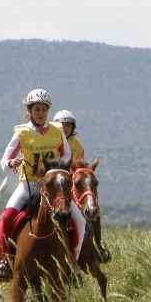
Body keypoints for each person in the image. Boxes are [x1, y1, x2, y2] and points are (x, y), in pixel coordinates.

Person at [0, 89, 87, 283]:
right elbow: (4, 161)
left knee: (79, 220)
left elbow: (67, 155)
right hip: (29, 185)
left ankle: (73, 263)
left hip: (52, 187)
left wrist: (56, 168)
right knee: (7, 217)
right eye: (36, 109)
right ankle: (6, 261)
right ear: (30, 111)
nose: (40, 113)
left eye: (43, 109)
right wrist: (12, 163)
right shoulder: (22, 133)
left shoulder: (56, 131)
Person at [53, 108, 110, 262]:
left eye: (68, 126)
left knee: (94, 209)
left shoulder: (76, 144)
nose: (65, 129)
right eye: (61, 126)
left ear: (73, 128)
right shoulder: (52, 141)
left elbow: (80, 166)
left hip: (72, 182)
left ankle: (98, 246)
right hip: (55, 184)